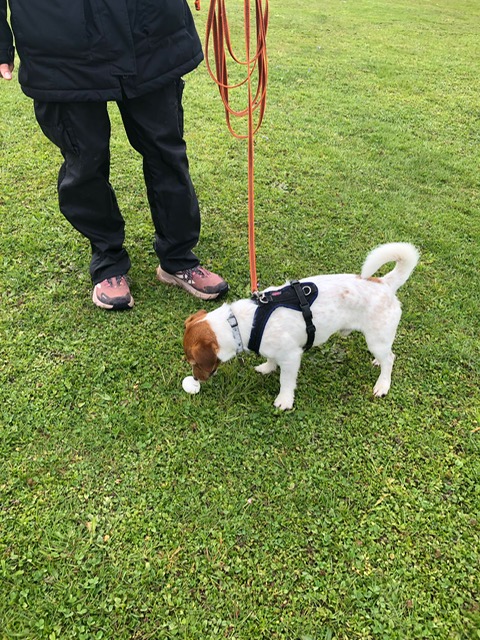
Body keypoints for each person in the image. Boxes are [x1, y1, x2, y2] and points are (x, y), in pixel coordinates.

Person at [0, 0, 228, 310]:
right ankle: (107, 261)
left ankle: (178, 257)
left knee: (166, 150)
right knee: (85, 160)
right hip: (59, 40)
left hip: (148, 29)